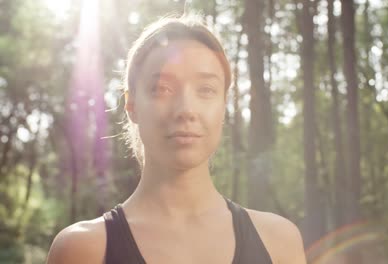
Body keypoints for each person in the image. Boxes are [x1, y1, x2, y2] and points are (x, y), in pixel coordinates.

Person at [47, 13, 307, 264]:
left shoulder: (279, 243)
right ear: (132, 105)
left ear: (223, 106)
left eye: (206, 90)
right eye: (162, 89)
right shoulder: (82, 250)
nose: (186, 110)